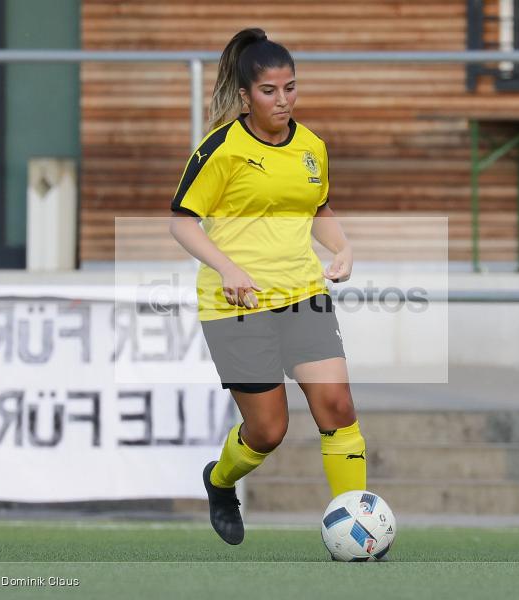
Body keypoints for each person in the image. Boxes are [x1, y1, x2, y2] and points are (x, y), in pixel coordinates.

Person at [170, 28, 366, 545]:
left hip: (304, 296)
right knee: (267, 431)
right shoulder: (221, 149)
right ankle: (219, 480)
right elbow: (183, 223)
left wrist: (341, 248)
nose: (282, 101)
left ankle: (359, 530)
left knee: (338, 408)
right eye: (269, 91)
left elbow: (318, 209)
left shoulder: (311, 147)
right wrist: (228, 268)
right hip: (237, 305)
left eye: (291, 89)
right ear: (244, 95)